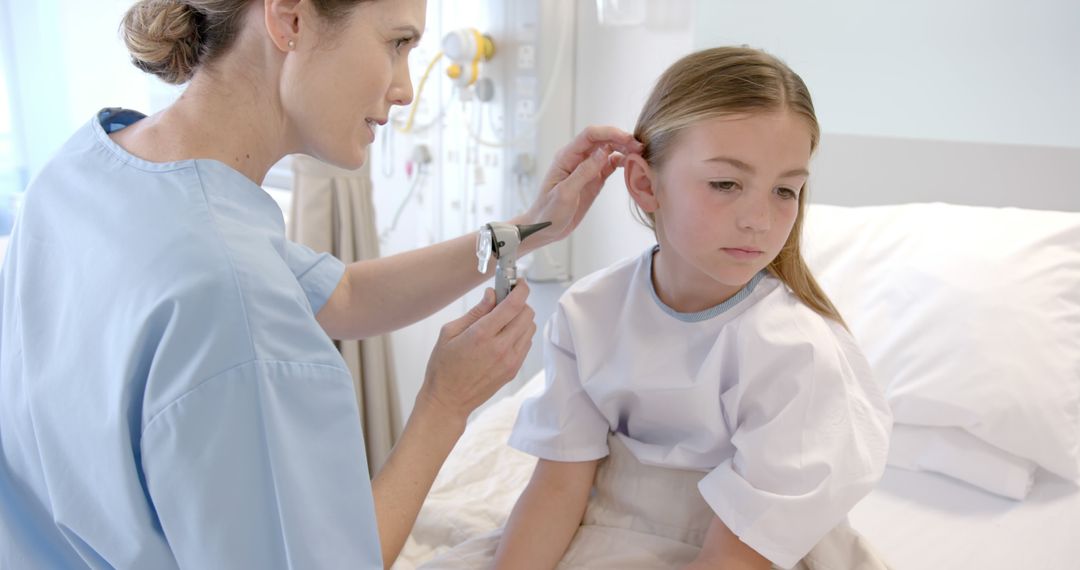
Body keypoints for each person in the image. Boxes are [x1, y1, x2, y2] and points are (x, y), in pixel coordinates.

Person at [0, 0, 641, 567]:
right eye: (396, 43)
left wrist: (528, 230)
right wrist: (445, 404)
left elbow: (344, 297)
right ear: (290, 19)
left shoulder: (88, 168)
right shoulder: (231, 295)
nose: (405, 88)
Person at [422, 47, 893, 570]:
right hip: (605, 525)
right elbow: (558, 487)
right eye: (726, 184)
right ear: (646, 183)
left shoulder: (796, 353)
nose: (760, 219)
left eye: (786, 190)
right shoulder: (589, 313)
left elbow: (739, 552)